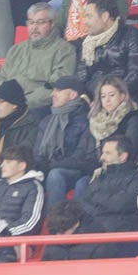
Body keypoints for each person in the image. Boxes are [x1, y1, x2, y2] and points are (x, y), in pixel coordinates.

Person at [0, 3, 77, 113]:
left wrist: (19, 102)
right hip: (5, 104)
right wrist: (1, 99)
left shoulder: (64, 50)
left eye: (40, 22)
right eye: (31, 22)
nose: (34, 27)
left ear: (52, 23)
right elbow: (0, 78)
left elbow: (56, 88)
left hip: (36, 108)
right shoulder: (16, 49)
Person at [72, 134, 138, 242]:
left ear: (123, 157)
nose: (101, 158)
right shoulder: (100, 178)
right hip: (90, 232)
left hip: (118, 238)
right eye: (103, 153)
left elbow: (121, 204)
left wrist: (95, 197)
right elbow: (82, 204)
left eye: (107, 153)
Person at [34, 75, 97, 204]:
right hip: (48, 168)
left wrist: (52, 165)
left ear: (73, 95)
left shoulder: (87, 121)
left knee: (55, 175)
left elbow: (82, 158)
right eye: (53, 90)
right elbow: (38, 153)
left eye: (58, 91)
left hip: (77, 172)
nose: (52, 94)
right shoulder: (46, 121)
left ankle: (54, 216)